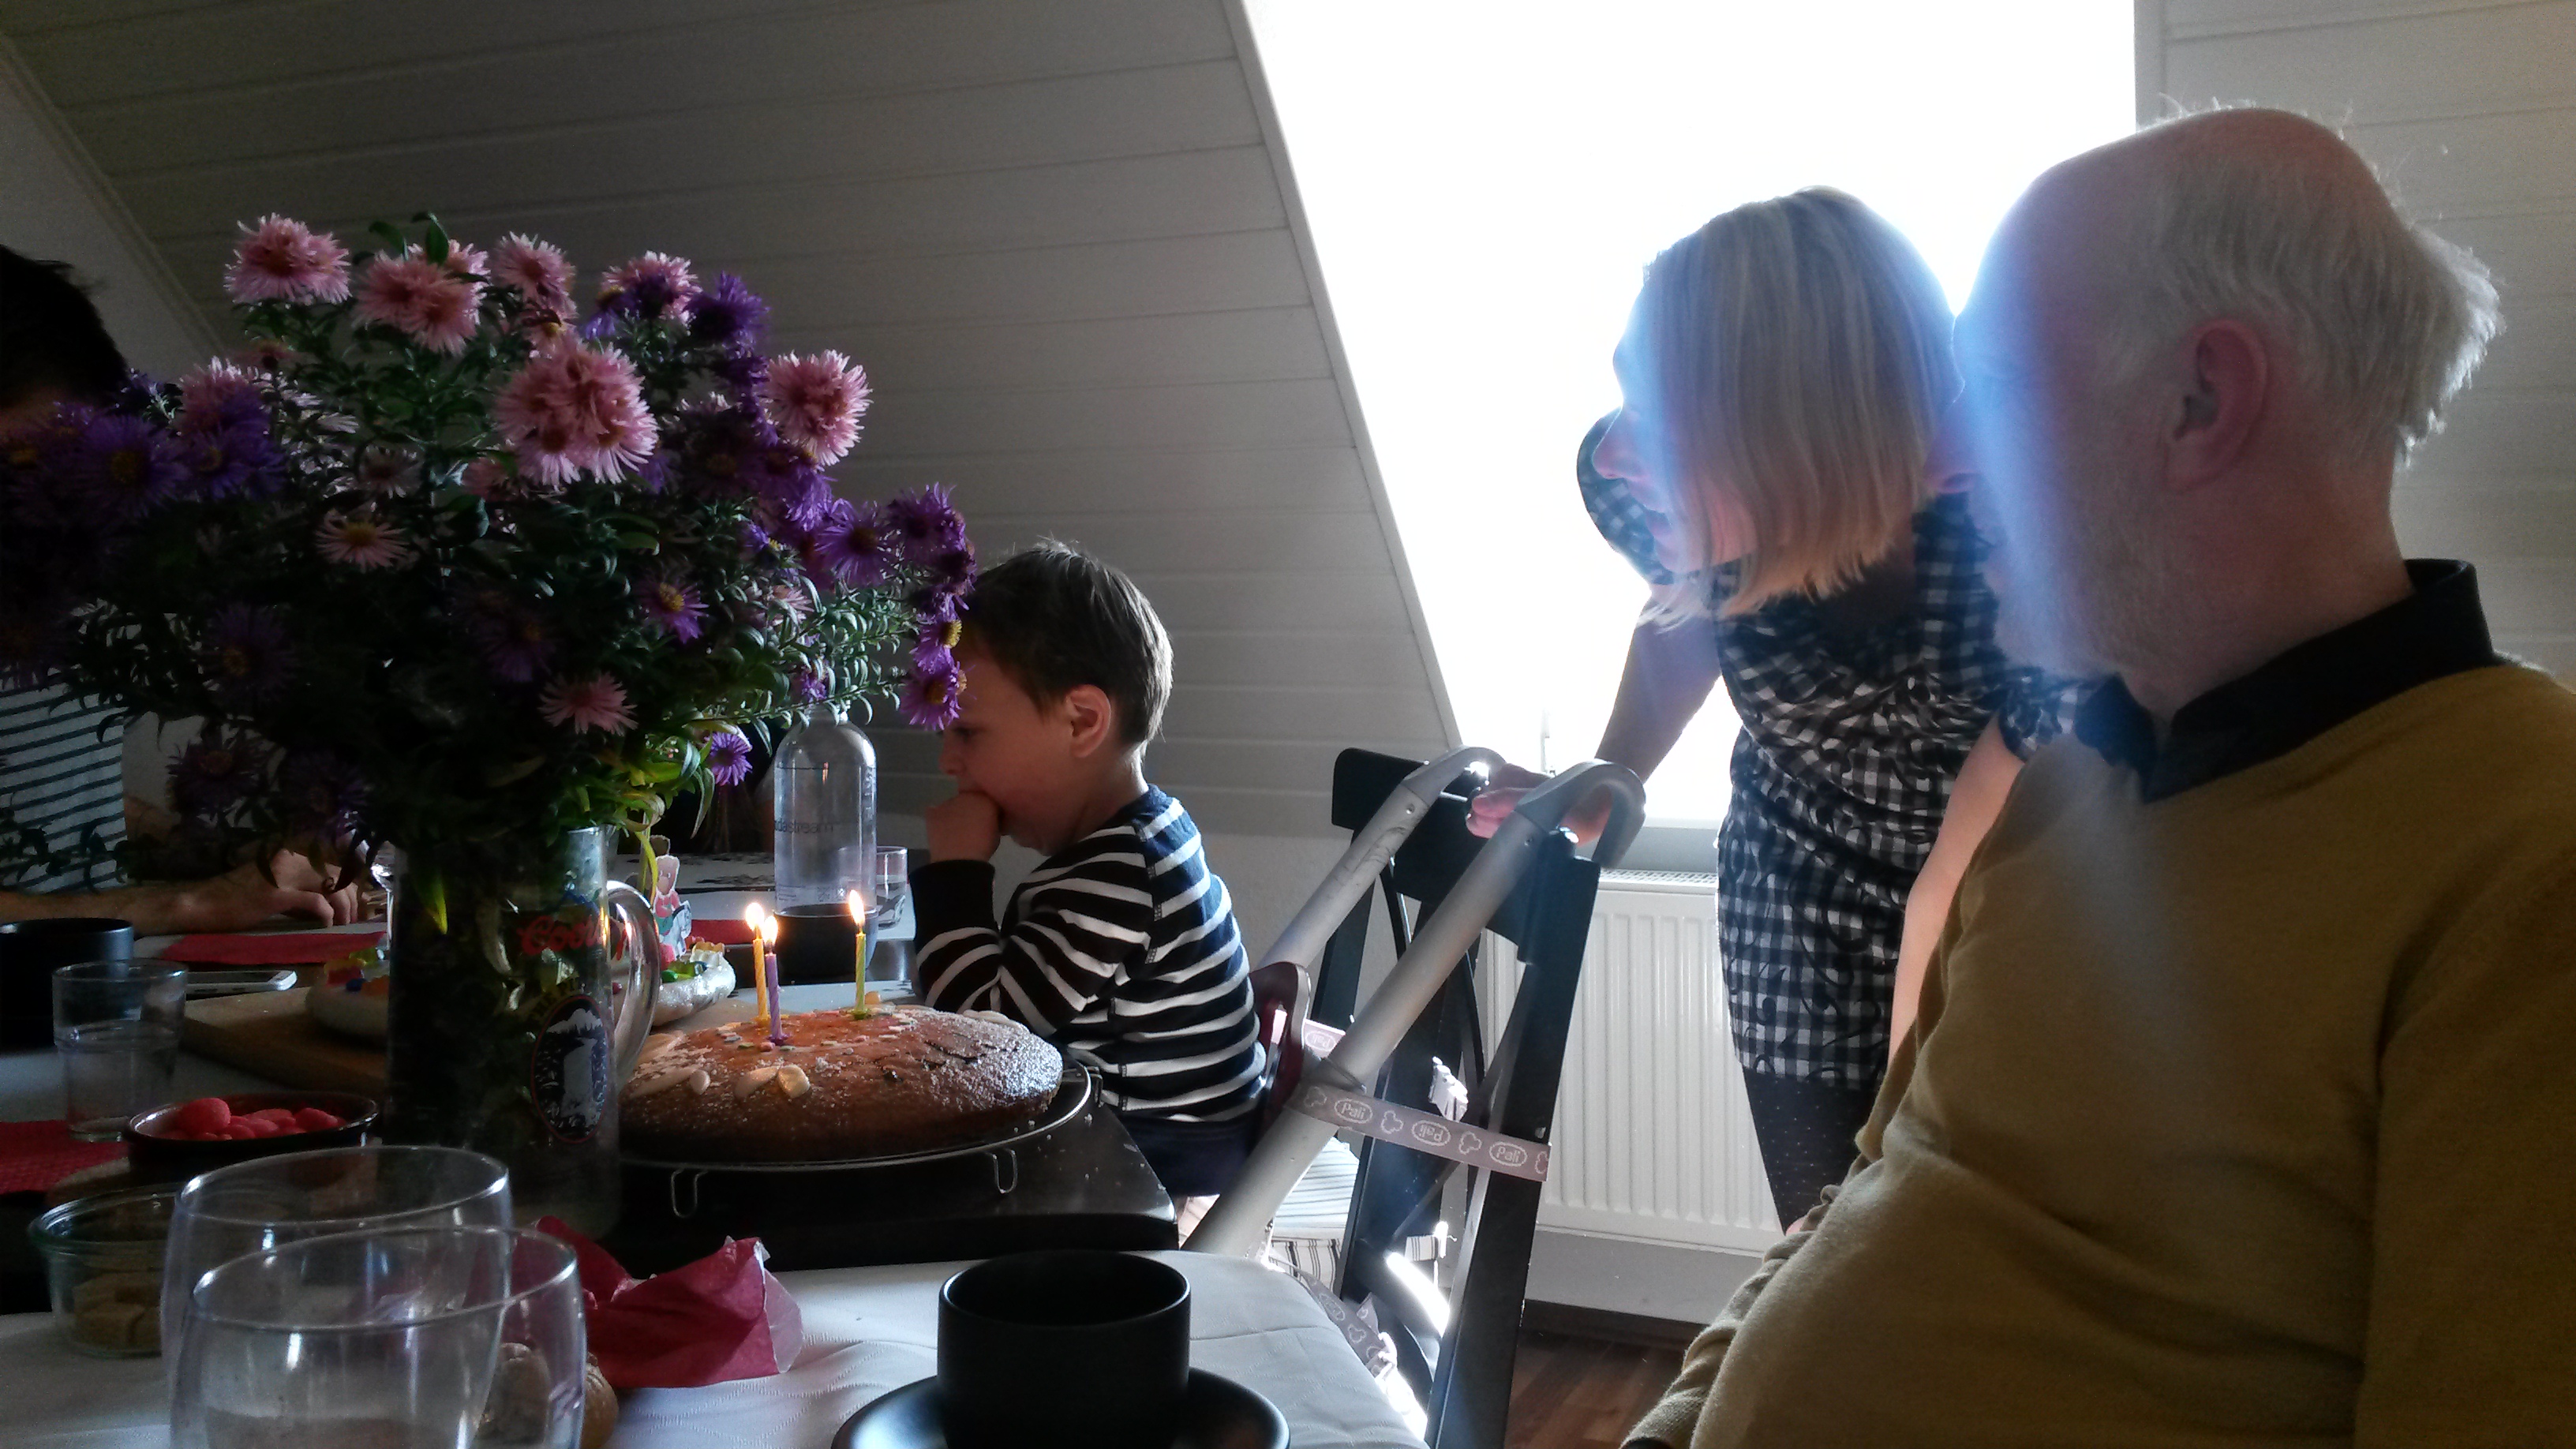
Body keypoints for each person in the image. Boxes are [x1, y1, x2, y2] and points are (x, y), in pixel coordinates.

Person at [1629, 107, 2573, 1446]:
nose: (1943, 459)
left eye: (1998, 385)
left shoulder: (2524, 856)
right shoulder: (2072, 784)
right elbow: (1858, 1199)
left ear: (2200, 401)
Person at [1473, 189, 2080, 1228]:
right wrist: (1613, 775)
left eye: (1657, 418)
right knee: (1828, 1235)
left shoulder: (2021, 537)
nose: (1614, 453)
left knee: (1960, 1221)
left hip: (2005, 892)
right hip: (1795, 900)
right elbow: (1688, 615)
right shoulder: (1643, 492)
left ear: (1797, 430)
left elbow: (1979, 842)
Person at [0, 245, 358, 931]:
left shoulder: (70, 566)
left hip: (100, 989)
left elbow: (43, 797)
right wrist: (185, 904)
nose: (31, 500)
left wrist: (225, 857)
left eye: (53, 462)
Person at [912, 543, 1264, 1199]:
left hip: (1140, 1156)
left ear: (1082, 722)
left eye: (969, 734)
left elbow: (973, 1034)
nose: (949, 763)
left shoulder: (1120, 878)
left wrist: (955, 876)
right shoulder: (1148, 834)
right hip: (1160, 1135)